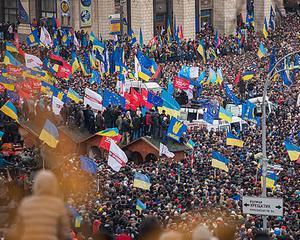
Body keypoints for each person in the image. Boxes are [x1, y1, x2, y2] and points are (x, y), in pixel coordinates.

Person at [8, 170, 71, 240]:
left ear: (36, 185)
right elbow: (65, 233)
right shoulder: (58, 205)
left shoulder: (26, 203)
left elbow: (18, 230)